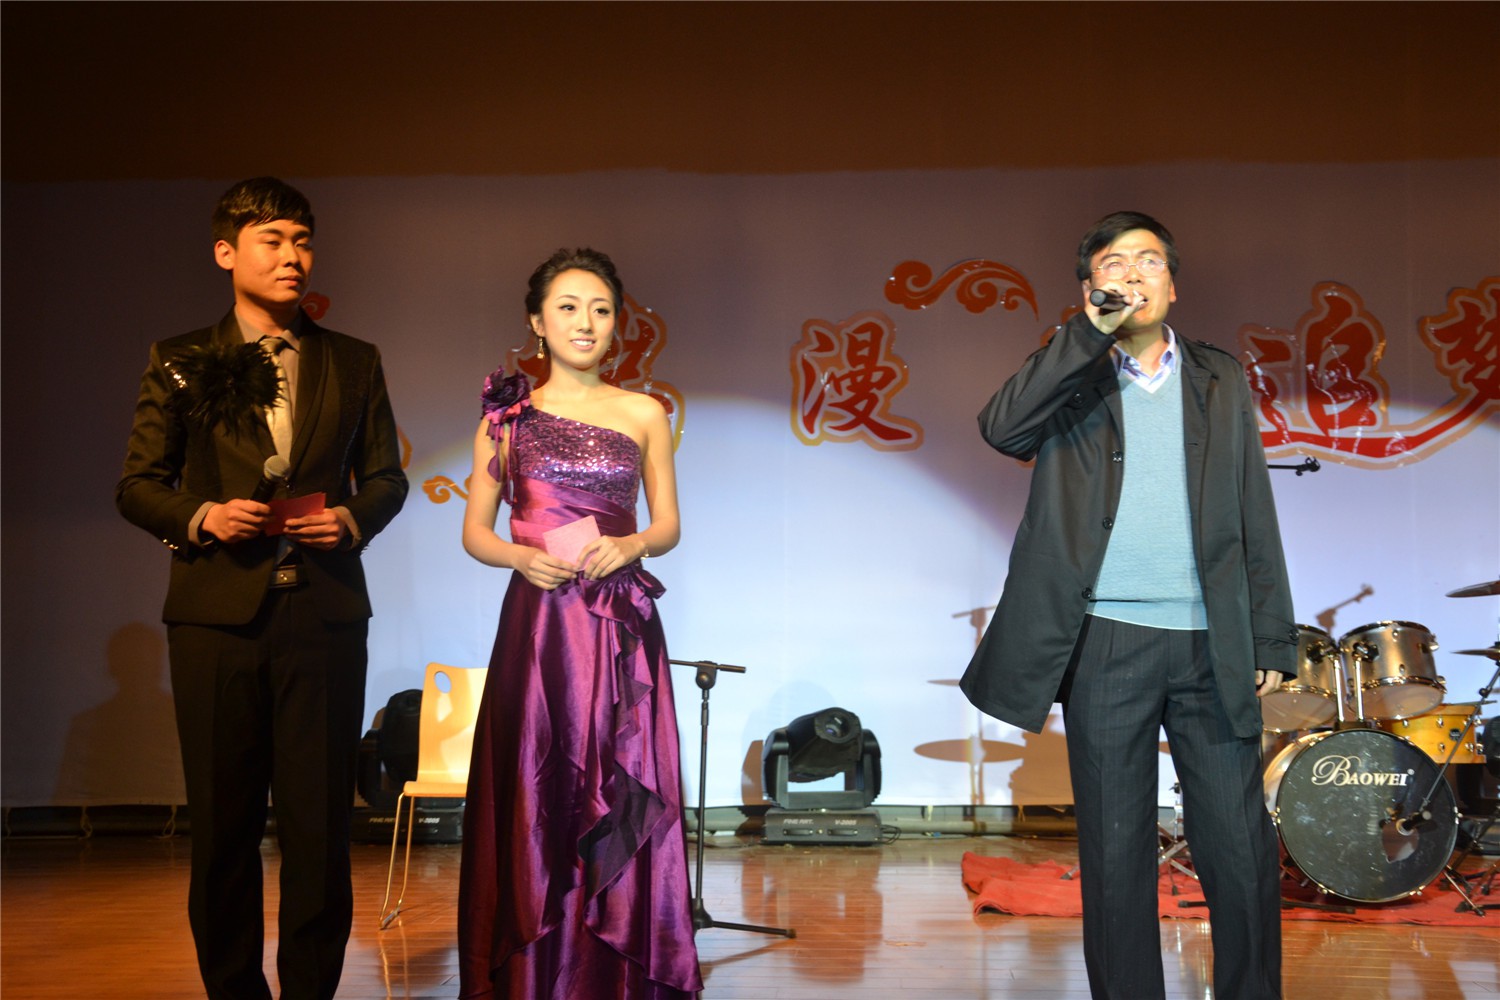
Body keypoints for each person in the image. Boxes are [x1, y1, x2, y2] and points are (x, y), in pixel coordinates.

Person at [959, 211, 1297, 999]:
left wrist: (1272, 638)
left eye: (1149, 261)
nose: (1135, 273)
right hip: (1106, 641)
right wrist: (1086, 334)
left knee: (1240, 846)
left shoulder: (1218, 376)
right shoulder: (1070, 373)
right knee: (1115, 853)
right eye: (1115, 263)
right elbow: (1002, 429)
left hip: (1212, 640)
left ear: (1172, 284)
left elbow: (1253, 506)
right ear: (1090, 287)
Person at [116, 177, 409, 1000]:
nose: (292, 256)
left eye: (302, 241)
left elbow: (386, 478)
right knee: (224, 827)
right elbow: (138, 485)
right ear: (226, 252)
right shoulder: (179, 360)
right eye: (272, 240)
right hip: (216, 622)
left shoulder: (354, 359)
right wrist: (204, 515)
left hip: (323, 616)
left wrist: (349, 519)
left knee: (319, 826)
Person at [457, 248, 702, 999]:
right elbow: (475, 533)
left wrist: (633, 544)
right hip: (540, 627)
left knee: (620, 782)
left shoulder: (644, 412)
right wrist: (519, 558)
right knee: (539, 782)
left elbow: (668, 525)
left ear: (618, 322)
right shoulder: (506, 419)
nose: (585, 322)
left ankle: (616, 970)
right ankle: (535, 969)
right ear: (537, 322)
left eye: (600, 308)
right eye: (567, 307)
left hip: (618, 625)